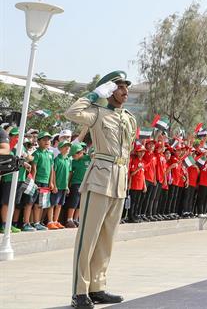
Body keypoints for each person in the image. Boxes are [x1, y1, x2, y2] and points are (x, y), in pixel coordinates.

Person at [64, 70, 137, 308]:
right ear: (109, 89)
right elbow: (71, 113)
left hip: (120, 179)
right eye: (120, 87)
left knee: (107, 239)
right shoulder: (96, 113)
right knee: (88, 238)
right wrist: (95, 94)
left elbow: (128, 149)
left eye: (126, 87)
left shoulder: (129, 117)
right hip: (99, 178)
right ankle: (79, 292)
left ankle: (97, 286)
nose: (125, 92)